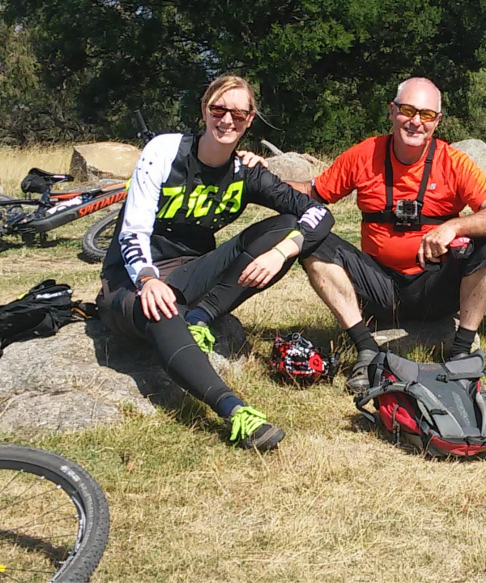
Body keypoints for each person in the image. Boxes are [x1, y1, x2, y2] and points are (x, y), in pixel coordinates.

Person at [99, 75, 335, 451]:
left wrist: (282, 251)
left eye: (238, 114)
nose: (227, 120)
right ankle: (233, 409)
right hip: (130, 279)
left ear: (250, 119)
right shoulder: (165, 151)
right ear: (204, 111)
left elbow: (317, 214)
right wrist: (146, 278)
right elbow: (132, 230)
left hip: (193, 274)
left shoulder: (247, 171)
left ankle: (199, 319)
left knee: (284, 229)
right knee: (160, 309)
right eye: (219, 109)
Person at [296, 78, 486, 393]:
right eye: (408, 110)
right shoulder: (365, 153)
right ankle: (365, 346)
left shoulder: (453, 162)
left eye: (426, 115)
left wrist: (454, 226)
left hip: (435, 287)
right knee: (312, 241)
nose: (415, 122)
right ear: (392, 111)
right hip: (378, 286)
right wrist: (256, 176)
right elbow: (312, 192)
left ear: (437, 121)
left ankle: (460, 350)